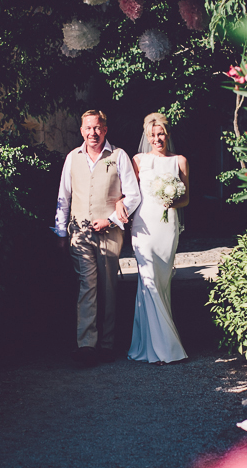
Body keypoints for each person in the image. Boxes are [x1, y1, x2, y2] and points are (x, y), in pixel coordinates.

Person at [54, 110, 141, 366]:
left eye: (98, 128)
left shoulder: (118, 156)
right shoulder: (72, 158)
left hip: (110, 233)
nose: (93, 133)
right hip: (79, 234)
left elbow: (133, 196)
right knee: (86, 286)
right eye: (88, 128)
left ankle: (107, 343)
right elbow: (64, 197)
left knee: (108, 288)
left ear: (105, 129)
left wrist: (111, 219)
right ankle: (86, 345)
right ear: (82, 131)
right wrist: (60, 232)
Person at [118, 113, 190, 365]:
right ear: (146, 137)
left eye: (160, 134)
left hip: (168, 226)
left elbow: (187, 199)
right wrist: (118, 204)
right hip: (143, 226)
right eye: (152, 135)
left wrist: (173, 200)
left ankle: (147, 344)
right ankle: (165, 348)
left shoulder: (180, 161)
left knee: (161, 281)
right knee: (147, 280)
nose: (156, 139)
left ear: (167, 134)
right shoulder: (137, 160)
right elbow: (126, 191)